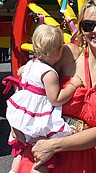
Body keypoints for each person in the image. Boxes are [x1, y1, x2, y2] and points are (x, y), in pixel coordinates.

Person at [15, 0, 96, 173]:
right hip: (41, 155)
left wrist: (53, 146)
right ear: (81, 29)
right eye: (88, 26)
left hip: (81, 161)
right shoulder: (68, 54)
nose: (95, 30)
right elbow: (26, 74)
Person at [2, 24, 83, 173]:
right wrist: (73, 85)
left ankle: (13, 171)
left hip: (21, 114)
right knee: (45, 154)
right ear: (57, 53)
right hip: (35, 118)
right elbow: (55, 99)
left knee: (22, 149)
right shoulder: (49, 73)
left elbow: (19, 73)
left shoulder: (30, 64)